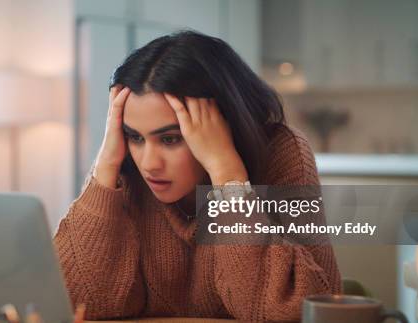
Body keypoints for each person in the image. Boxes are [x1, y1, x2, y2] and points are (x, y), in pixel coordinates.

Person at [54, 30, 341, 322]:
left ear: (221, 127)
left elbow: (297, 310)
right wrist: (105, 170)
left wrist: (227, 175)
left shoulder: (279, 153)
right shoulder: (122, 167)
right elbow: (76, 303)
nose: (149, 164)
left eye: (170, 139)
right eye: (134, 137)